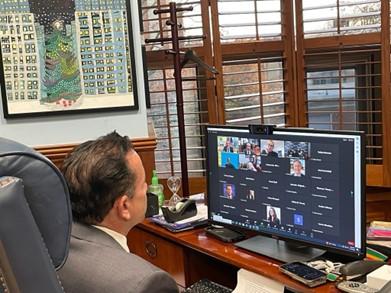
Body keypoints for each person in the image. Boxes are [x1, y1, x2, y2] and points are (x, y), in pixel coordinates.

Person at [58, 132, 178, 293]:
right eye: (143, 184)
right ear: (124, 207)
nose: (147, 189)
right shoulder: (147, 284)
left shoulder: (50, 247)